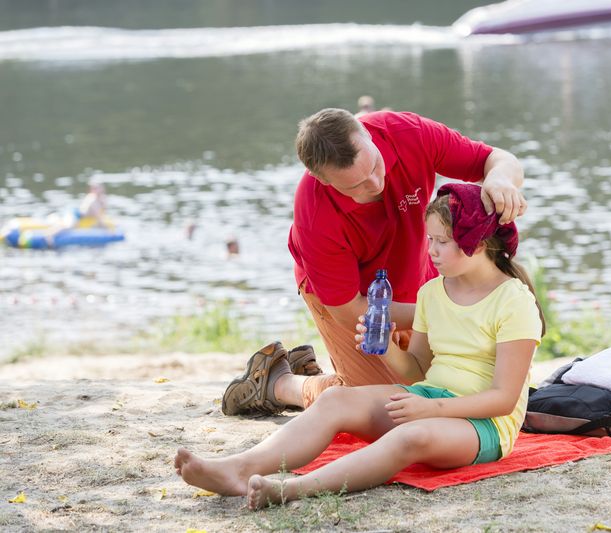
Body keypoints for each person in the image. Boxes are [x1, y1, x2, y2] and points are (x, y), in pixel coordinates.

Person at [175, 183, 545, 508]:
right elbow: (417, 370)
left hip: (485, 425)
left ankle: (291, 490)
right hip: (430, 397)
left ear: (477, 243)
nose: (430, 250)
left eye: (442, 242)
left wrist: (432, 408)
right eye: (429, 239)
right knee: (335, 399)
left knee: (410, 435)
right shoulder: (433, 292)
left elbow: (504, 398)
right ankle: (238, 469)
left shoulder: (513, 301)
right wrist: (386, 347)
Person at [220, 108, 527, 417]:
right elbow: (348, 309)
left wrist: (500, 179)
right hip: (357, 300)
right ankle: (280, 383)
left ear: (367, 132)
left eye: (376, 166)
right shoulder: (314, 212)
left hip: (415, 272)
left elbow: (498, 159)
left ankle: (329, 369)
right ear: (321, 179)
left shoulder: (407, 132)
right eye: (357, 185)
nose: (377, 183)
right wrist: (441, 311)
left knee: (452, 382)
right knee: (384, 406)